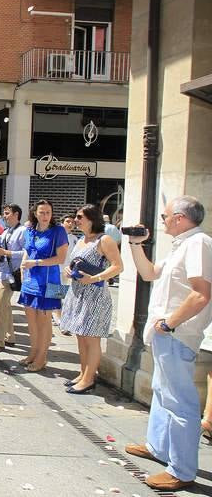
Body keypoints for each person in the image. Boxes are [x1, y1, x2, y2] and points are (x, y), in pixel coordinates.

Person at [124, 196, 212, 492]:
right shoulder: (182, 246)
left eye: (165, 216)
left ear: (179, 217)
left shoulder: (199, 243)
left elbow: (201, 293)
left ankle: (182, 470)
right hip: (166, 334)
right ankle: (158, 447)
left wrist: (170, 322)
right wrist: (136, 245)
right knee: (163, 394)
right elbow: (149, 273)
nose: (161, 221)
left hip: (176, 334)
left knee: (180, 403)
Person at [59, 205, 123, 394]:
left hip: (94, 294)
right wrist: (68, 270)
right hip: (78, 292)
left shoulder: (104, 240)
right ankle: (83, 373)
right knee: (80, 335)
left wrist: (94, 278)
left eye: (80, 217)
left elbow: (118, 266)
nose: (76, 220)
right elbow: (73, 262)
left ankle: (89, 379)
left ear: (91, 219)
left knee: (91, 338)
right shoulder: (81, 240)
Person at [18, 200, 69, 372]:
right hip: (30, 280)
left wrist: (37, 262)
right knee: (31, 320)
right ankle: (33, 352)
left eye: (48, 212)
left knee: (45, 321)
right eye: (42, 212)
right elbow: (27, 251)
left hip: (52, 280)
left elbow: (61, 259)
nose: (45, 216)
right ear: (35, 213)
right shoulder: (30, 231)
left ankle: (42, 357)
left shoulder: (59, 231)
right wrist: (22, 267)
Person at [0, 204, 26, 354]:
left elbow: (26, 253)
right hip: (2, 273)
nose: (4, 216)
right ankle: (10, 337)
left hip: (11, 273)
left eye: (7, 213)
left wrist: (7, 253)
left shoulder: (23, 231)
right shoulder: (7, 231)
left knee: (0, 307)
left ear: (16, 214)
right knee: (5, 307)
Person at [53, 214, 79, 329]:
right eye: (67, 221)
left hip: (69, 270)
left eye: (72, 222)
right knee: (57, 294)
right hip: (57, 268)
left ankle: (60, 316)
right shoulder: (56, 235)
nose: (70, 224)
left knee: (65, 295)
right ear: (62, 222)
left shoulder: (74, 239)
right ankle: (58, 318)